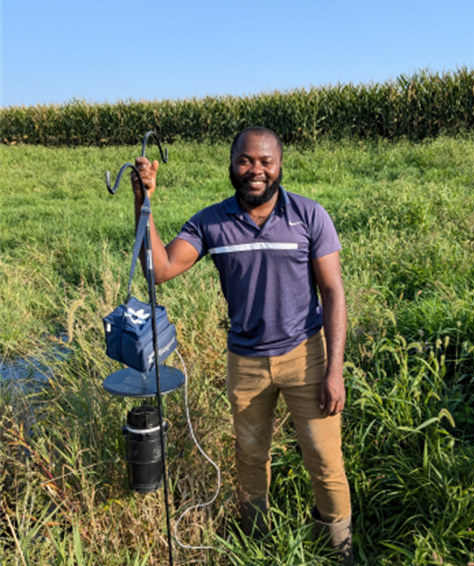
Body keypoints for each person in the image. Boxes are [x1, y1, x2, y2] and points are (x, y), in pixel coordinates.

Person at [131, 126, 353, 564]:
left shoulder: (309, 216)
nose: (256, 170)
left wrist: (334, 370)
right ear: (232, 165)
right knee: (250, 458)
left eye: (266, 161)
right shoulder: (211, 221)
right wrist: (144, 199)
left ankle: (340, 551)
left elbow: (333, 293)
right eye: (246, 161)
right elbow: (159, 269)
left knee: (325, 462)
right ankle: (256, 545)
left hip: (306, 356)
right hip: (246, 362)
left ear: (279, 165)